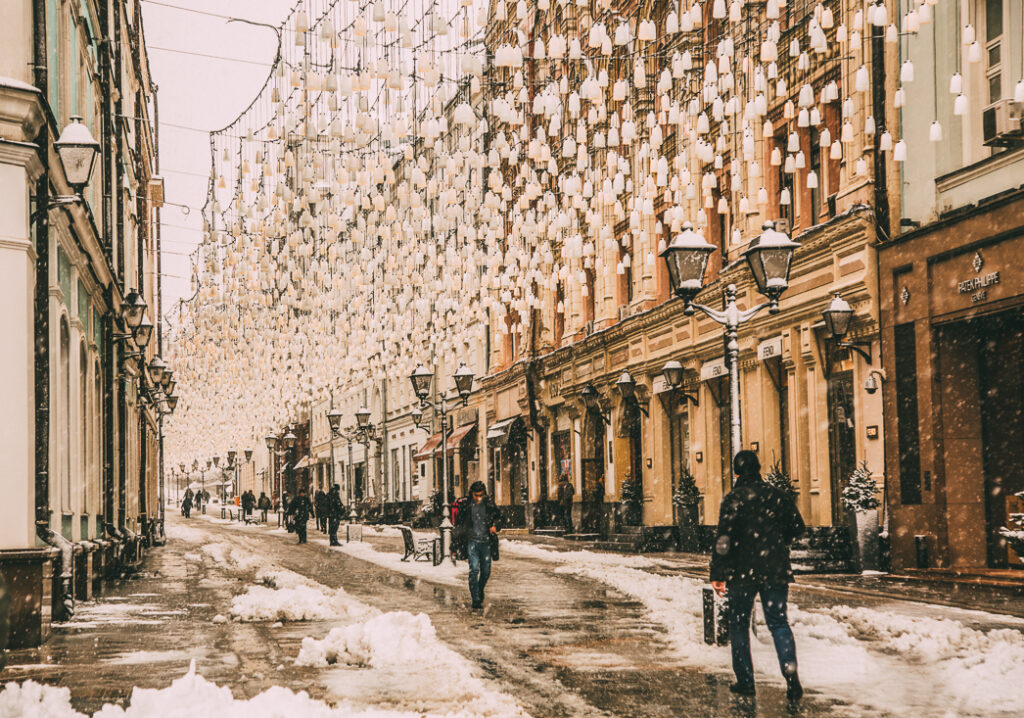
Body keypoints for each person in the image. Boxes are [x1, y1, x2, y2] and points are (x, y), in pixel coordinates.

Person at [710, 450, 806, 700]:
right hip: (775, 568)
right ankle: (791, 675)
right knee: (778, 622)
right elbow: (798, 527)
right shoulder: (778, 496)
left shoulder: (733, 499)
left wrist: (718, 572)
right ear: (759, 468)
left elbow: (723, 540)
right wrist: (779, 541)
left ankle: (745, 681)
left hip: (742, 572)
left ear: (737, 472)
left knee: (739, 625)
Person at [453, 481, 501, 610]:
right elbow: (458, 526)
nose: (478, 498)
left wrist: (495, 525)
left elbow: (499, 517)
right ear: (471, 494)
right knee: (474, 570)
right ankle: (476, 599)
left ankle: (479, 589)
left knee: (486, 572)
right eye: (476, 495)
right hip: (472, 542)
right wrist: (454, 546)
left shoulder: (489, 505)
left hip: (486, 542)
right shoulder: (466, 506)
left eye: (481, 495)